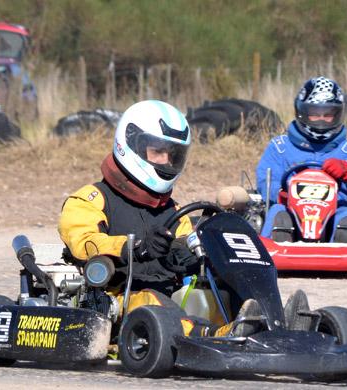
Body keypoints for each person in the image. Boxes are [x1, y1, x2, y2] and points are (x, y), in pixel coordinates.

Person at [59, 99, 259, 337]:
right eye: (157, 151)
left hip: (169, 297)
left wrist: (196, 252)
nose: (165, 161)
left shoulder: (174, 210)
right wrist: (136, 247)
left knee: (217, 286)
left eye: (172, 154)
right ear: (130, 143)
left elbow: (185, 251)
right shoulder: (89, 199)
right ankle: (213, 336)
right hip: (116, 299)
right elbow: (84, 244)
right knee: (151, 300)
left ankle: (263, 325)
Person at [256, 76, 347, 243]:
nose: (321, 119)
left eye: (328, 114)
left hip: (335, 213)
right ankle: (277, 244)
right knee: (278, 212)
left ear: (338, 114)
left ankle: (343, 246)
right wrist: (282, 193)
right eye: (315, 113)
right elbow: (265, 181)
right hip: (290, 211)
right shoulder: (280, 146)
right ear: (302, 112)